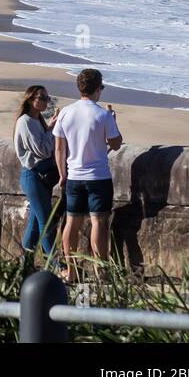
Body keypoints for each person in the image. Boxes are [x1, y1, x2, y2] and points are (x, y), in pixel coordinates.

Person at [53, 68, 123, 281]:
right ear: (98, 88)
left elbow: (59, 149)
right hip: (98, 177)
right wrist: (113, 119)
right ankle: (100, 271)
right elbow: (116, 143)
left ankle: (71, 271)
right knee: (98, 223)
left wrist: (62, 174)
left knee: (71, 223)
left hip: (74, 176)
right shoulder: (102, 114)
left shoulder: (66, 112)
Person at [14, 85, 60, 258]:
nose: (46, 101)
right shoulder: (25, 121)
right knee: (46, 223)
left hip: (40, 177)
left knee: (34, 224)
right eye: (42, 98)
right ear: (31, 99)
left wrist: (49, 128)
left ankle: (25, 264)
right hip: (33, 176)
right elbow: (43, 150)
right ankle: (55, 263)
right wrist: (52, 129)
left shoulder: (36, 120)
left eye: (47, 98)